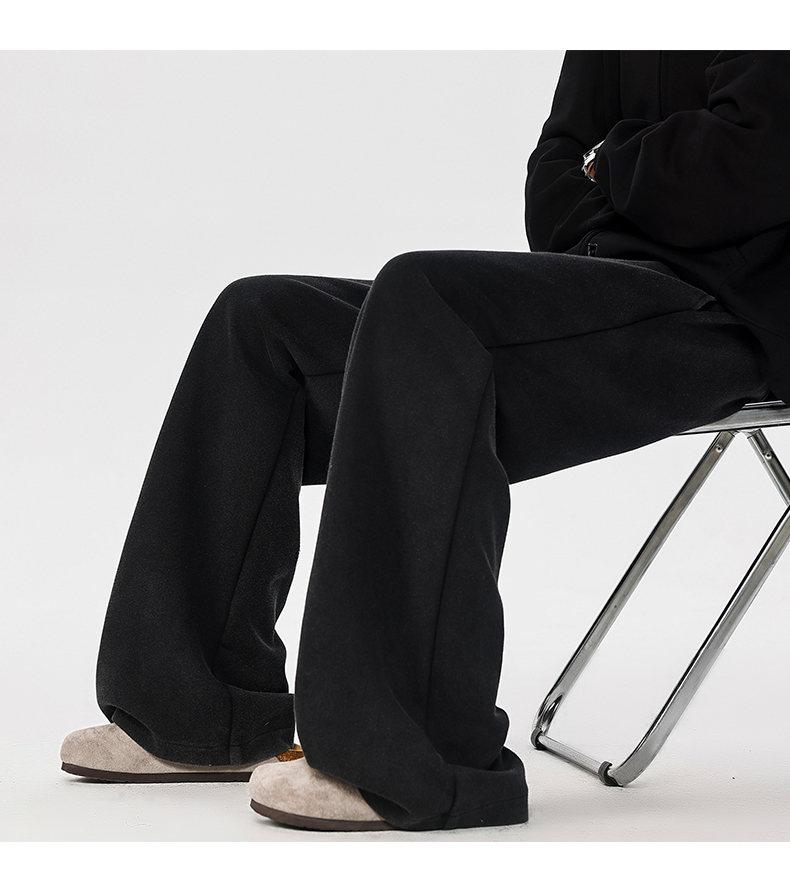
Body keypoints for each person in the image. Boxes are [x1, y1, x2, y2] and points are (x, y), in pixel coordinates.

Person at [61, 51, 790, 832]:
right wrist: (643, 179)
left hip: (734, 318)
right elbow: (551, 189)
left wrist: (610, 161)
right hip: (600, 288)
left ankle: (417, 758)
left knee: (429, 301)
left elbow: (753, 161)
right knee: (261, 321)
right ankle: (199, 717)